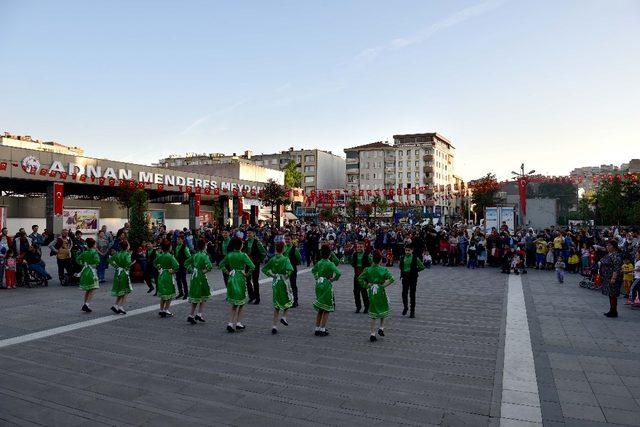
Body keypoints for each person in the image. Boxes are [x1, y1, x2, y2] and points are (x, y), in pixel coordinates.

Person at [219, 238, 255, 333]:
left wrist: (227, 272)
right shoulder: (243, 255)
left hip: (231, 278)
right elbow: (252, 266)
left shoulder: (229, 255)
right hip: (240, 278)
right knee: (241, 302)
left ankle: (231, 323)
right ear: (240, 246)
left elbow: (220, 264)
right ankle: (238, 323)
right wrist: (247, 274)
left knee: (234, 303)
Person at [358, 250, 395, 342]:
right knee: (383, 307)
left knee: (373, 311)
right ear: (380, 260)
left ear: (372, 260)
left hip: (372, 291)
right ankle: (381, 327)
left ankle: (372, 333)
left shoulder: (367, 269)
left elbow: (360, 278)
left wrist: (367, 285)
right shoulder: (383, 270)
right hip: (380, 291)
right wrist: (383, 285)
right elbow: (392, 278)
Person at [262, 241, 294, 334]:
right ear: (283, 249)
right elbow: (290, 270)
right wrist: (287, 276)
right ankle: (284, 317)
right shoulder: (285, 259)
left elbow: (264, 269)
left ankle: (274, 326)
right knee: (289, 299)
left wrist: (272, 275)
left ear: (276, 249)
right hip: (283, 281)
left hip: (275, 281)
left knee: (276, 304)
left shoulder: (272, 259)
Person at [312, 244, 342, 336]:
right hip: (326, 284)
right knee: (326, 308)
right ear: (330, 254)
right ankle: (323, 328)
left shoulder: (320, 262)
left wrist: (317, 277)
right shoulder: (330, 263)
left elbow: (313, 270)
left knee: (320, 308)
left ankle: (317, 328)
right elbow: (338, 273)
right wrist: (333, 279)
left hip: (319, 283)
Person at [185, 238, 213, 324]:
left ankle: (195, 315)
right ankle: (196, 314)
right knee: (202, 296)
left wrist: (192, 269)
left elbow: (186, 263)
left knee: (197, 296)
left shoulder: (195, 255)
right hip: (201, 277)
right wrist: (204, 271)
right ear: (204, 246)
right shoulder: (205, 256)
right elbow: (209, 266)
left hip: (194, 277)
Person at [154, 239, 180, 317]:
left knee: (163, 294)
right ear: (169, 248)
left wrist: (159, 268)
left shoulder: (160, 255)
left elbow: (155, 263)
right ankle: (166, 309)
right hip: (168, 275)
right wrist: (173, 271)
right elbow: (177, 266)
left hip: (161, 275)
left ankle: (161, 309)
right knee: (169, 293)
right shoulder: (170, 256)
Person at [399, 245, 425, 318]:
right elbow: (400, 266)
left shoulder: (415, 258)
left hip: (413, 278)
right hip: (405, 277)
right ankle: (405, 307)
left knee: (412, 294)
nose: (407, 252)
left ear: (412, 250)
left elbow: (422, 267)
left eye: (409, 250)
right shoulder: (402, 257)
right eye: (406, 250)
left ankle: (412, 311)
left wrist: (415, 271)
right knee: (404, 293)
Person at [599, 240, 623, 318]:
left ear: (614, 246)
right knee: (610, 294)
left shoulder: (616, 255)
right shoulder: (609, 254)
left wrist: (613, 277)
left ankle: (614, 311)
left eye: (609, 245)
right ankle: (612, 310)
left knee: (613, 295)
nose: (607, 247)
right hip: (607, 277)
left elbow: (617, 268)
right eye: (607, 245)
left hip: (613, 277)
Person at [109, 240, 134, 315]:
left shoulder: (117, 254)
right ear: (127, 246)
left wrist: (116, 267)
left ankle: (116, 305)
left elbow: (110, 260)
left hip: (118, 273)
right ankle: (121, 306)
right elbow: (128, 263)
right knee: (126, 290)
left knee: (120, 290)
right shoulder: (127, 254)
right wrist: (131, 263)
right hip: (124, 273)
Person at [76, 238, 100, 313]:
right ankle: (86, 304)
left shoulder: (85, 252)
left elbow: (77, 259)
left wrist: (83, 264)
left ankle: (85, 304)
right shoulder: (94, 252)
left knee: (87, 289)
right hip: (91, 271)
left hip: (85, 270)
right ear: (93, 245)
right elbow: (97, 261)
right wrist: (94, 264)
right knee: (92, 288)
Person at [243, 228, 266, 305]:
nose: (248, 235)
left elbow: (263, 252)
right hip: (247, 264)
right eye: (247, 233)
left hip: (255, 264)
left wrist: (259, 260)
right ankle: (251, 296)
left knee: (255, 281)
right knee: (247, 280)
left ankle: (257, 298)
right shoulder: (245, 242)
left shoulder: (257, 242)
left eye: (250, 233)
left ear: (254, 234)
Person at [351, 241, 371, 313]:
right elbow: (352, 263)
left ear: (364, 247)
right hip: (356, 274)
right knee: (356, 291)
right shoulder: (355, 254)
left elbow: (371, 264)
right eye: (358, 247)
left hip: (364, 275)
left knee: (363, 291)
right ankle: (358, 307)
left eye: (360, 247)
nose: (359, 248)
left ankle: (367, 307)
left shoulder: (367, 254)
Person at [283, 234, 302, 307]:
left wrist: (295, 263)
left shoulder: (294, 248)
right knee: (286, 285)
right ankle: (288, 299)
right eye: (286, 239)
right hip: (285, 269)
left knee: (293, 285)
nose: (287, 240)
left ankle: (295, 301)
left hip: (292, 269)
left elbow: (299, 258)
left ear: (291, 240)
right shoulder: (284, 247)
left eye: (288, 239)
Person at [174, 233, 191, 300]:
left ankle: (186, 293)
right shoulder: (176, 247)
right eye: (177, 240)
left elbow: (189, 257)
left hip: (183, 266)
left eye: (179, 240)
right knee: (178, 279)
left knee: (183, 280)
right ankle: (180, 292)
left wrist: (186, 265)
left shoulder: (185, 247)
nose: (177, 241)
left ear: (182, 240)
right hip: (177, 266)